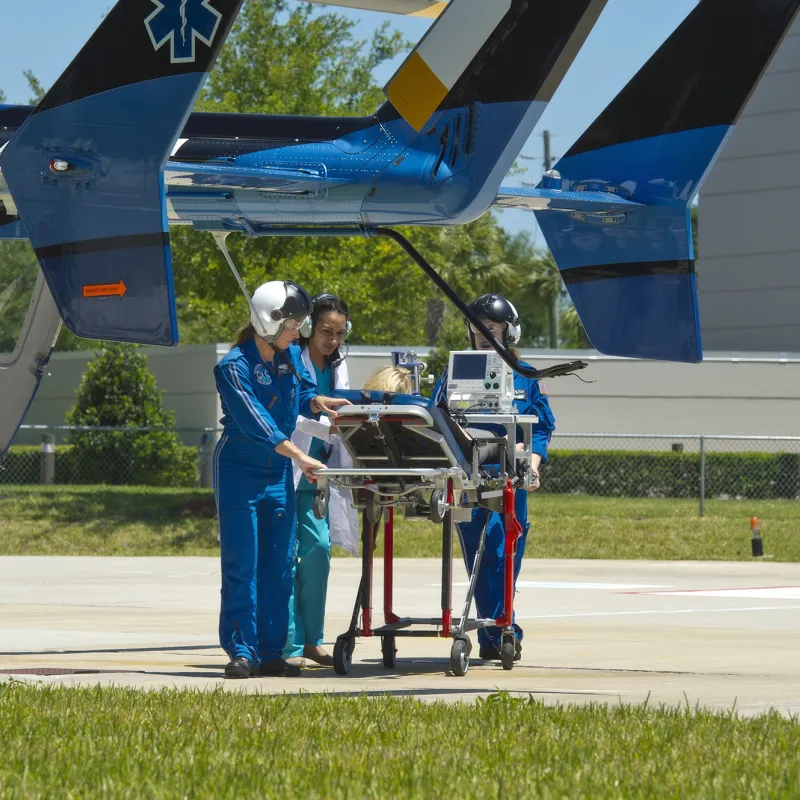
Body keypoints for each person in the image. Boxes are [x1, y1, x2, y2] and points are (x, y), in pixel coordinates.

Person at [212, 280, 350, 679]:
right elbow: (259, 425)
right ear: (269, 321)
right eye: (294, 324)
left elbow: (302, 390)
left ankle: (272, 650)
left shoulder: (287, 357)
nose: (299, 332)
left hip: (277, 473)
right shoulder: (232, 367)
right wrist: (302, 456)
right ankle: (242, 650)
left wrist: (317, 400)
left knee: (279, 562)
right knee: (244, 563)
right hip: (240, 469)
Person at [431, 293, 556, 662]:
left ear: (509, 331)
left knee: (509, 552)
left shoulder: (527, 377)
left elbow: (544, 427)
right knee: (481, 553)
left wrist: (531, 463)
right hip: (470, 477)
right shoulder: (453, 373)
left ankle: (498, 627)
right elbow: (437, 418)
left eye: (493, 327)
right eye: (478, 327)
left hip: (512, 477)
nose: (484, 334)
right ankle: (502, 629)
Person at [285, 294, 359, 668]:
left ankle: (312, 640)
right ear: (311, 326)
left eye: (340, 333)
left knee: (318, 553)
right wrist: (317, 409)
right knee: (284, 557)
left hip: (320, 473)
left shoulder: (338, 367)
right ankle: (289, 645)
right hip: (288, 468)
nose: (332, 339)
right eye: (327, 331)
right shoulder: (289, 358)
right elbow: (290, 404)